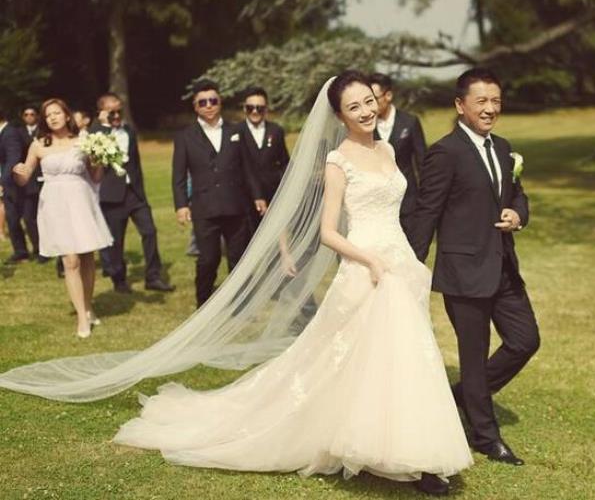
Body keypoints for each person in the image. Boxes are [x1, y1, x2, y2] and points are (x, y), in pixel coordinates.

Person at [114, 71, 471, 496]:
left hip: (398, 260)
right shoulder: (338, 161)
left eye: (368, 101)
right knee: (356, 358)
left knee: (406, 354)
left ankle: (409, 448)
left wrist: (399, 257)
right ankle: (373, 446)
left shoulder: (389, 149)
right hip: (366, 266)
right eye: (353, 107)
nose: (365, 111)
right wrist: (370, 259)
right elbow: (328, 233)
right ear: (340, 116)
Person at [409, 68, 540, 466]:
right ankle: (486, 437)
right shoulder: (445, 153)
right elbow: (427, 212)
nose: (489, 109)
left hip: (503, 268)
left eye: (495, 101)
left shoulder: (503, 148)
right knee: (474, 354)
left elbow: (517, 195)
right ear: (460, 105)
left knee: (525, 340)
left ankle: (462, 396)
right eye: (481, 101)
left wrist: (518, 215)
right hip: (464, 273)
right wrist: (410, 264)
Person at [12, 98, 113, 337]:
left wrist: (99, 160)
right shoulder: (38, 145)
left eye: (57, 113)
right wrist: (18, 172)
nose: (53, 118)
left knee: (86, 257)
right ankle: (81, 318)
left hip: (80, 200)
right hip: (54, 204)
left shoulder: (83, 140)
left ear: (67, 116)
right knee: (70, 260)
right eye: (48, 115)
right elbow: (24, 177)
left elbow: (96, 176)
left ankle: (88, 306)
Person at [172, 80, 267, 307]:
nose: (208, 106)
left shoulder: (237, 131)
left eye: (213, 101)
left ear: (220, 102)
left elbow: (248, 168)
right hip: (204, 208)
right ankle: (203, 303)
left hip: (235, 206)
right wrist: (181, 205)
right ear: (195, 106)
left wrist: (258, 196)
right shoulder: (185, 136)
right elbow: (178, 174)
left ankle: (239, 304)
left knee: (238, 257)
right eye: (203, 102)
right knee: (208, 259)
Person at [92, 92, 173, 293]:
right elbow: (94, 151)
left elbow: (135, 164)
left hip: (135, 193)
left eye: (119, 111)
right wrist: (104, 125)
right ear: (101, 113)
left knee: (149, 232)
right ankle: (119, 279)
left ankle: (153, 277)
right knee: (116, 241)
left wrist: (140, 191)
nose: (116, 116)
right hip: (112, 195)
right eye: (111, 112)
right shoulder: (96, 132)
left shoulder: (129, 131)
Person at [369, 73, 427, 235]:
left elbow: (423, 162)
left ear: (388, 95)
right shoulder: (366, 126)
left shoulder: (410, 122)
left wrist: (424, 200)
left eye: (374, 99)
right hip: (378, 204)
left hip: (408, 202)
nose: (371, 105)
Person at [234, 86, 290, 230]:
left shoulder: (276, 131)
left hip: (273, 194)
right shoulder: (235, 132)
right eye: (250, 108)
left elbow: (284, 162)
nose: (254, 112)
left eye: (259, 108)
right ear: (244, 109)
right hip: (244, 197)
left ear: (266, 109)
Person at [1, 107, 32, 264]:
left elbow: (14, 159)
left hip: (15, 182)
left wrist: (3, 181)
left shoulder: (10, 133)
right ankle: (21, 251)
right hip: (10, 182)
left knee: (23, 218)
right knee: (12, 218)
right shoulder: (5, 132)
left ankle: (30, 251)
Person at [18, 106, 46, 263]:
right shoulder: (19, 133)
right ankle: (37, 247)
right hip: (29, 182)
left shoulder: (44, 131)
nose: (29, 117)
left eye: (32, 114)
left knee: (45, 217)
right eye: (26, 114)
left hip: (45, 179)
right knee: (28, 217)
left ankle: (47, 248)